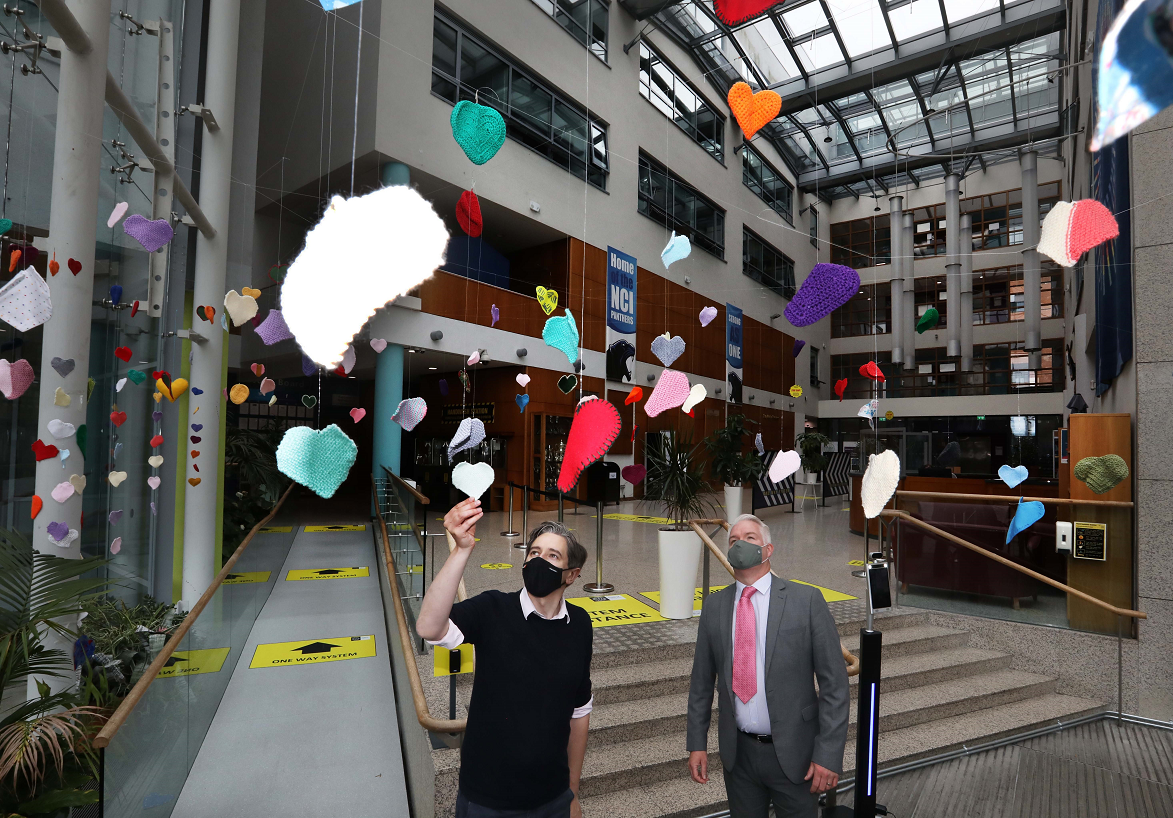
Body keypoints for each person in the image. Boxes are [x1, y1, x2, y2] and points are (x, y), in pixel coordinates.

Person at [417, 498, 593, 818]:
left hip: (553, 798)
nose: (540, 560)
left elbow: (579, 712)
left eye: (553, 556)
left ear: (571, 575)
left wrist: (572, 793)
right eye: (534, 553)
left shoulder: (580, 624)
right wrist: (462, 550)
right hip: (488, 801)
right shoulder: (493, 609)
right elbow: (429, 627)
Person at [685, 513, 849, 817]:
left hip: (795, 755)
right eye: (733, 540)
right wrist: (697, 742)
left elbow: (835, 685)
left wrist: (828, 753)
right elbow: (702, 682)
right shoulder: (714, 606)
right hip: (739, 756)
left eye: (750, 538)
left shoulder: (807, 601)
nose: (739, 545)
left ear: (768, 549)